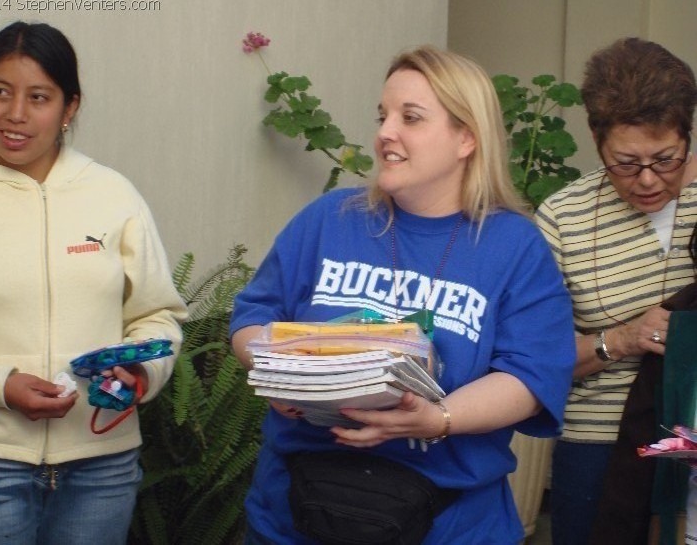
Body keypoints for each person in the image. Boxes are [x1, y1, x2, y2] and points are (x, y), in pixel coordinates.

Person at [230, 45, 576, 544]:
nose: (385, 133)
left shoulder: (514, 247)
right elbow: (252, 317)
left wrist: (438, 420)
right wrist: (280, 374)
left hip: (450, 525)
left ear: (466, 138)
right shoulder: (329, 219)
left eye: (410, 118)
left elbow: (530, 376)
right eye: (383, 115)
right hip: (294, 517)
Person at [0, 22, 187, 545]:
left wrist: (143, 370)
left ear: (69, 107)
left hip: (102, 468)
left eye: (38, 97)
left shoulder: (112, 193)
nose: (14, 115)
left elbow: (158, 315)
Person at [535, 37, 697, 545]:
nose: (647, 180)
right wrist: (622, 339)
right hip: (598, 450)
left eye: (665, 159)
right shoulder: (564, 219)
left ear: (688, 134)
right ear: (596, 138)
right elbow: (536, 359)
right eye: (625, 163)